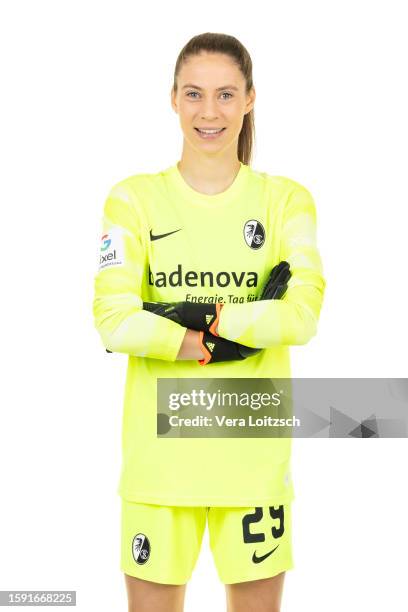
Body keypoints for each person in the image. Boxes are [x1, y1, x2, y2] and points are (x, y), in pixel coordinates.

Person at [93, 32, 326, 612]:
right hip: (158, 468)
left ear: (249, 100)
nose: (209, 111)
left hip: (252, 466)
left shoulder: (286, 202)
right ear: (173, 99)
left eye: (225, 95)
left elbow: (301, 315)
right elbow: (113, 320)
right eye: (194, 94)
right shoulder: (131, 201)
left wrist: (193, 319)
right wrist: (220, 336)